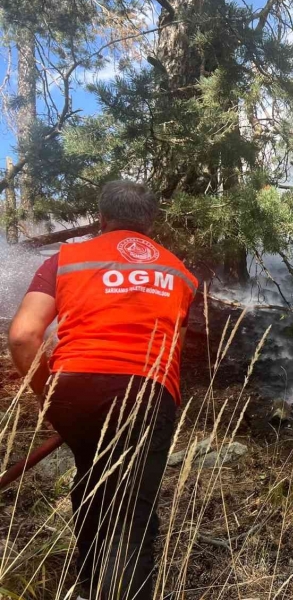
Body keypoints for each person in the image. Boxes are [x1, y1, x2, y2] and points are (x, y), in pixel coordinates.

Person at [8, 180, 197, 600]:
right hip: (149, 393)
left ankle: (93, 586)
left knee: (92, 484)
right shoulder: (180, 272)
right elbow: (174, 350)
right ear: (150, 222)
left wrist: (49, 395)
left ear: (101, 217)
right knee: (132, 516)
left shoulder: (67, 258)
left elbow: (23, 337)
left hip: (74, 387)